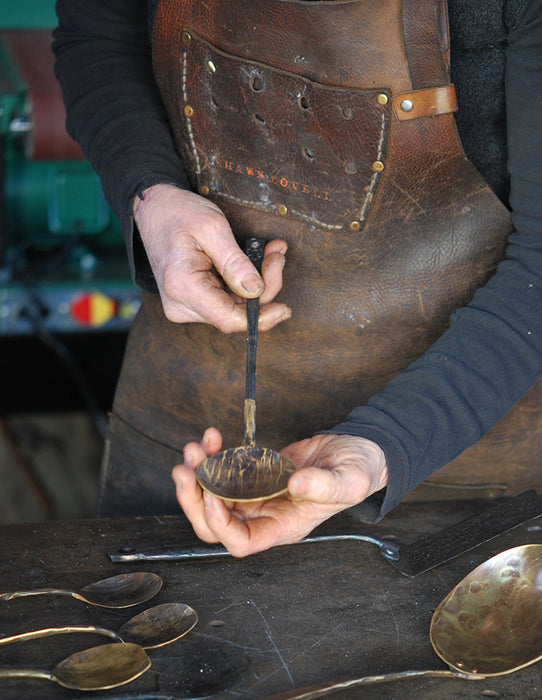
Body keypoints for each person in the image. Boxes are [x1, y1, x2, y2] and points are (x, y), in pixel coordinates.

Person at [53, 0, 542, 556]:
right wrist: (148, 193)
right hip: (187, 424)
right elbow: (97, 38)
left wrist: (386, 444)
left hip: (465, 448)